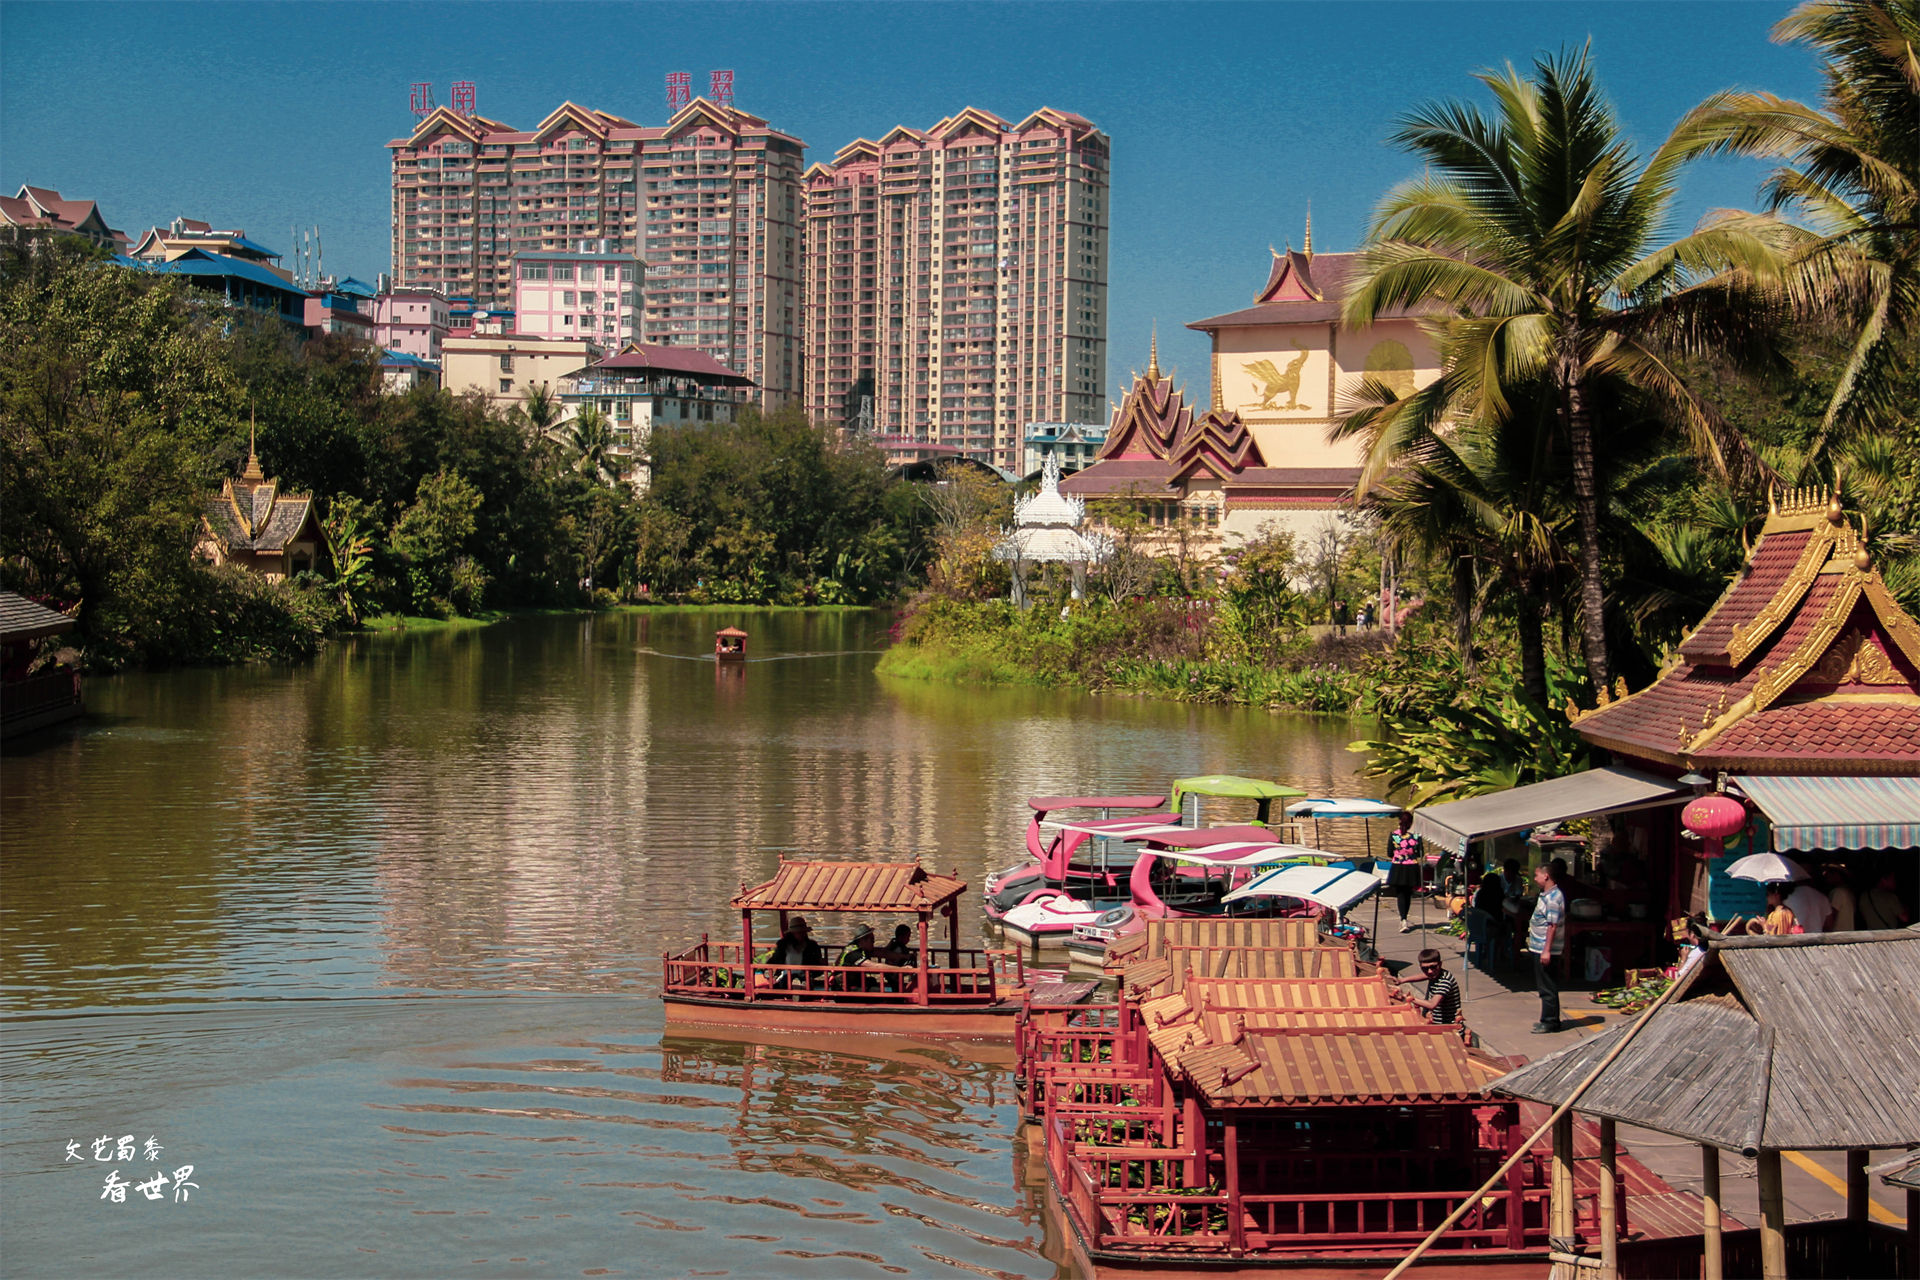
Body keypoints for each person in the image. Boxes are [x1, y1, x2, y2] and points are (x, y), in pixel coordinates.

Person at [1526, 862, 1567, 1033]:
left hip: (1545, 948)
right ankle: (1547, 1018)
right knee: (1543, 984)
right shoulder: (1546, 895)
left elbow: (1552, 925)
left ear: (1546, 876)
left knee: (1547, 985)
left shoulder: (1553, 898)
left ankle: (1550, 1021)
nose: (1535, 879)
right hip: (1538, 946)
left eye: (1537, 875)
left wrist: (1546, 950)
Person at [1391, 948, 1461, 1025]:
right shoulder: (1436, 974)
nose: (1429, 971)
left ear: (1440, 964)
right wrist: (1401, 980)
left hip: (1447, 1027)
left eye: (1433, 967)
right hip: (1436, 1023)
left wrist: (1407, 997)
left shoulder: (1444, 982)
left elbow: (1432, 1004)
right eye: (1425, 968)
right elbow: (1424, 976)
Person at [1385, 812, 1422, 933]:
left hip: (1398, 867)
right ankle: (1405, 917)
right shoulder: (1416, 836)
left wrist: (1399, 854)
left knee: (1400, 894)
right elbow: (1420, 853)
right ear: (1411, 823)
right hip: (1411, 867)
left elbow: (1390, 853)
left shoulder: (1394, 835)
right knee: (1408, 893)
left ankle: (1403, 919)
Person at [768, 916, 825, 987]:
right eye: (798, 932)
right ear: (792, 933)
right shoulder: (783, 945)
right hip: (786, 975)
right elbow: (775, 959)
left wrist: (820, 964)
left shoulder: (812, 945)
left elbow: (816, 963)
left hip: (804, 975)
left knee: (806, 984)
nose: (801, 934)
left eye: (803, 932)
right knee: (784, 983)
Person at [1823, 866, 1857, 933]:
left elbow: (1832, 916)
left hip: (1838, 934)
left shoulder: (1838, 892)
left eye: (1830, 873)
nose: (1827, 876)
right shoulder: (1848, 891)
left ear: (1838, 875)